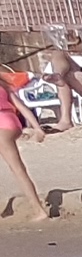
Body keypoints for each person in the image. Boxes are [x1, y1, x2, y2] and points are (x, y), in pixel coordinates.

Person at [0, 68, 45, 221]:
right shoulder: (2, 83)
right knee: (19, 169)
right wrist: (37, 128)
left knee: (18, 170)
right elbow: (21, 106)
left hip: (1, 127)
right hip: (13, 122)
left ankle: (39, 210)